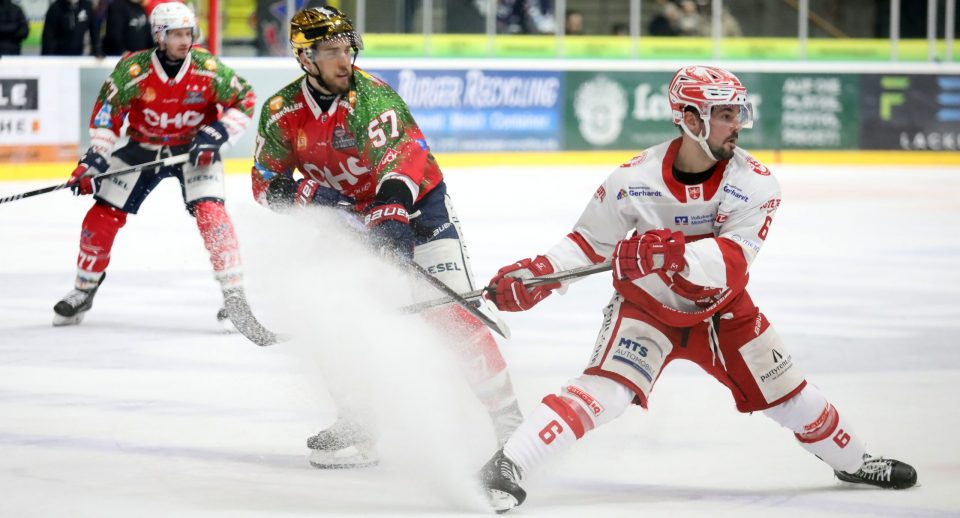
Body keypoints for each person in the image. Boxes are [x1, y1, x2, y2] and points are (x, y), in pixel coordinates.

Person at [476, 66, 918, 512]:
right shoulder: (632, 179)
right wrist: (538, 276)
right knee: (605, 391)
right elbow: (588, 243)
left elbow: (733, 263)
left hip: (723, 311)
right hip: (646, 309)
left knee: (793, 400)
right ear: (690, 120)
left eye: (738, 113)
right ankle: (508, 464)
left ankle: (856, 461)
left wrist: (671, 255)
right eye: (725, 114)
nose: (737, 124)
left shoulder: (755, 182)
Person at [251, 6, 523, 468]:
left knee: (450, 313)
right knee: (327, 310)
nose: (345, 60)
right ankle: (359, 422)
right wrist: (307, 194)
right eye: (331, 51)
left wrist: (393, 214)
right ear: (305, 58)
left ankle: (511, 426)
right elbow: (263, 183)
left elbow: (402, 156)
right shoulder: (281, 113)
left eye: (347, 49)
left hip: (418, 208)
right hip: (350, 219)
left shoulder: (372, 97)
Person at [53, 3, 266, 344]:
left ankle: (234, 295)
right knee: (101, 215)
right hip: (143, 146)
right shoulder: (133, 69)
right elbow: (108, 115)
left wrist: (217, 133)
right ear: (159, 36)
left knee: (212, 214)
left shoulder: (208, 68)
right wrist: (94, 160)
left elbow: (245, 98)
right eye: (176, 34)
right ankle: (83, 288)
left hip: (193, 150)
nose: (184, 41)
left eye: (188, 33)